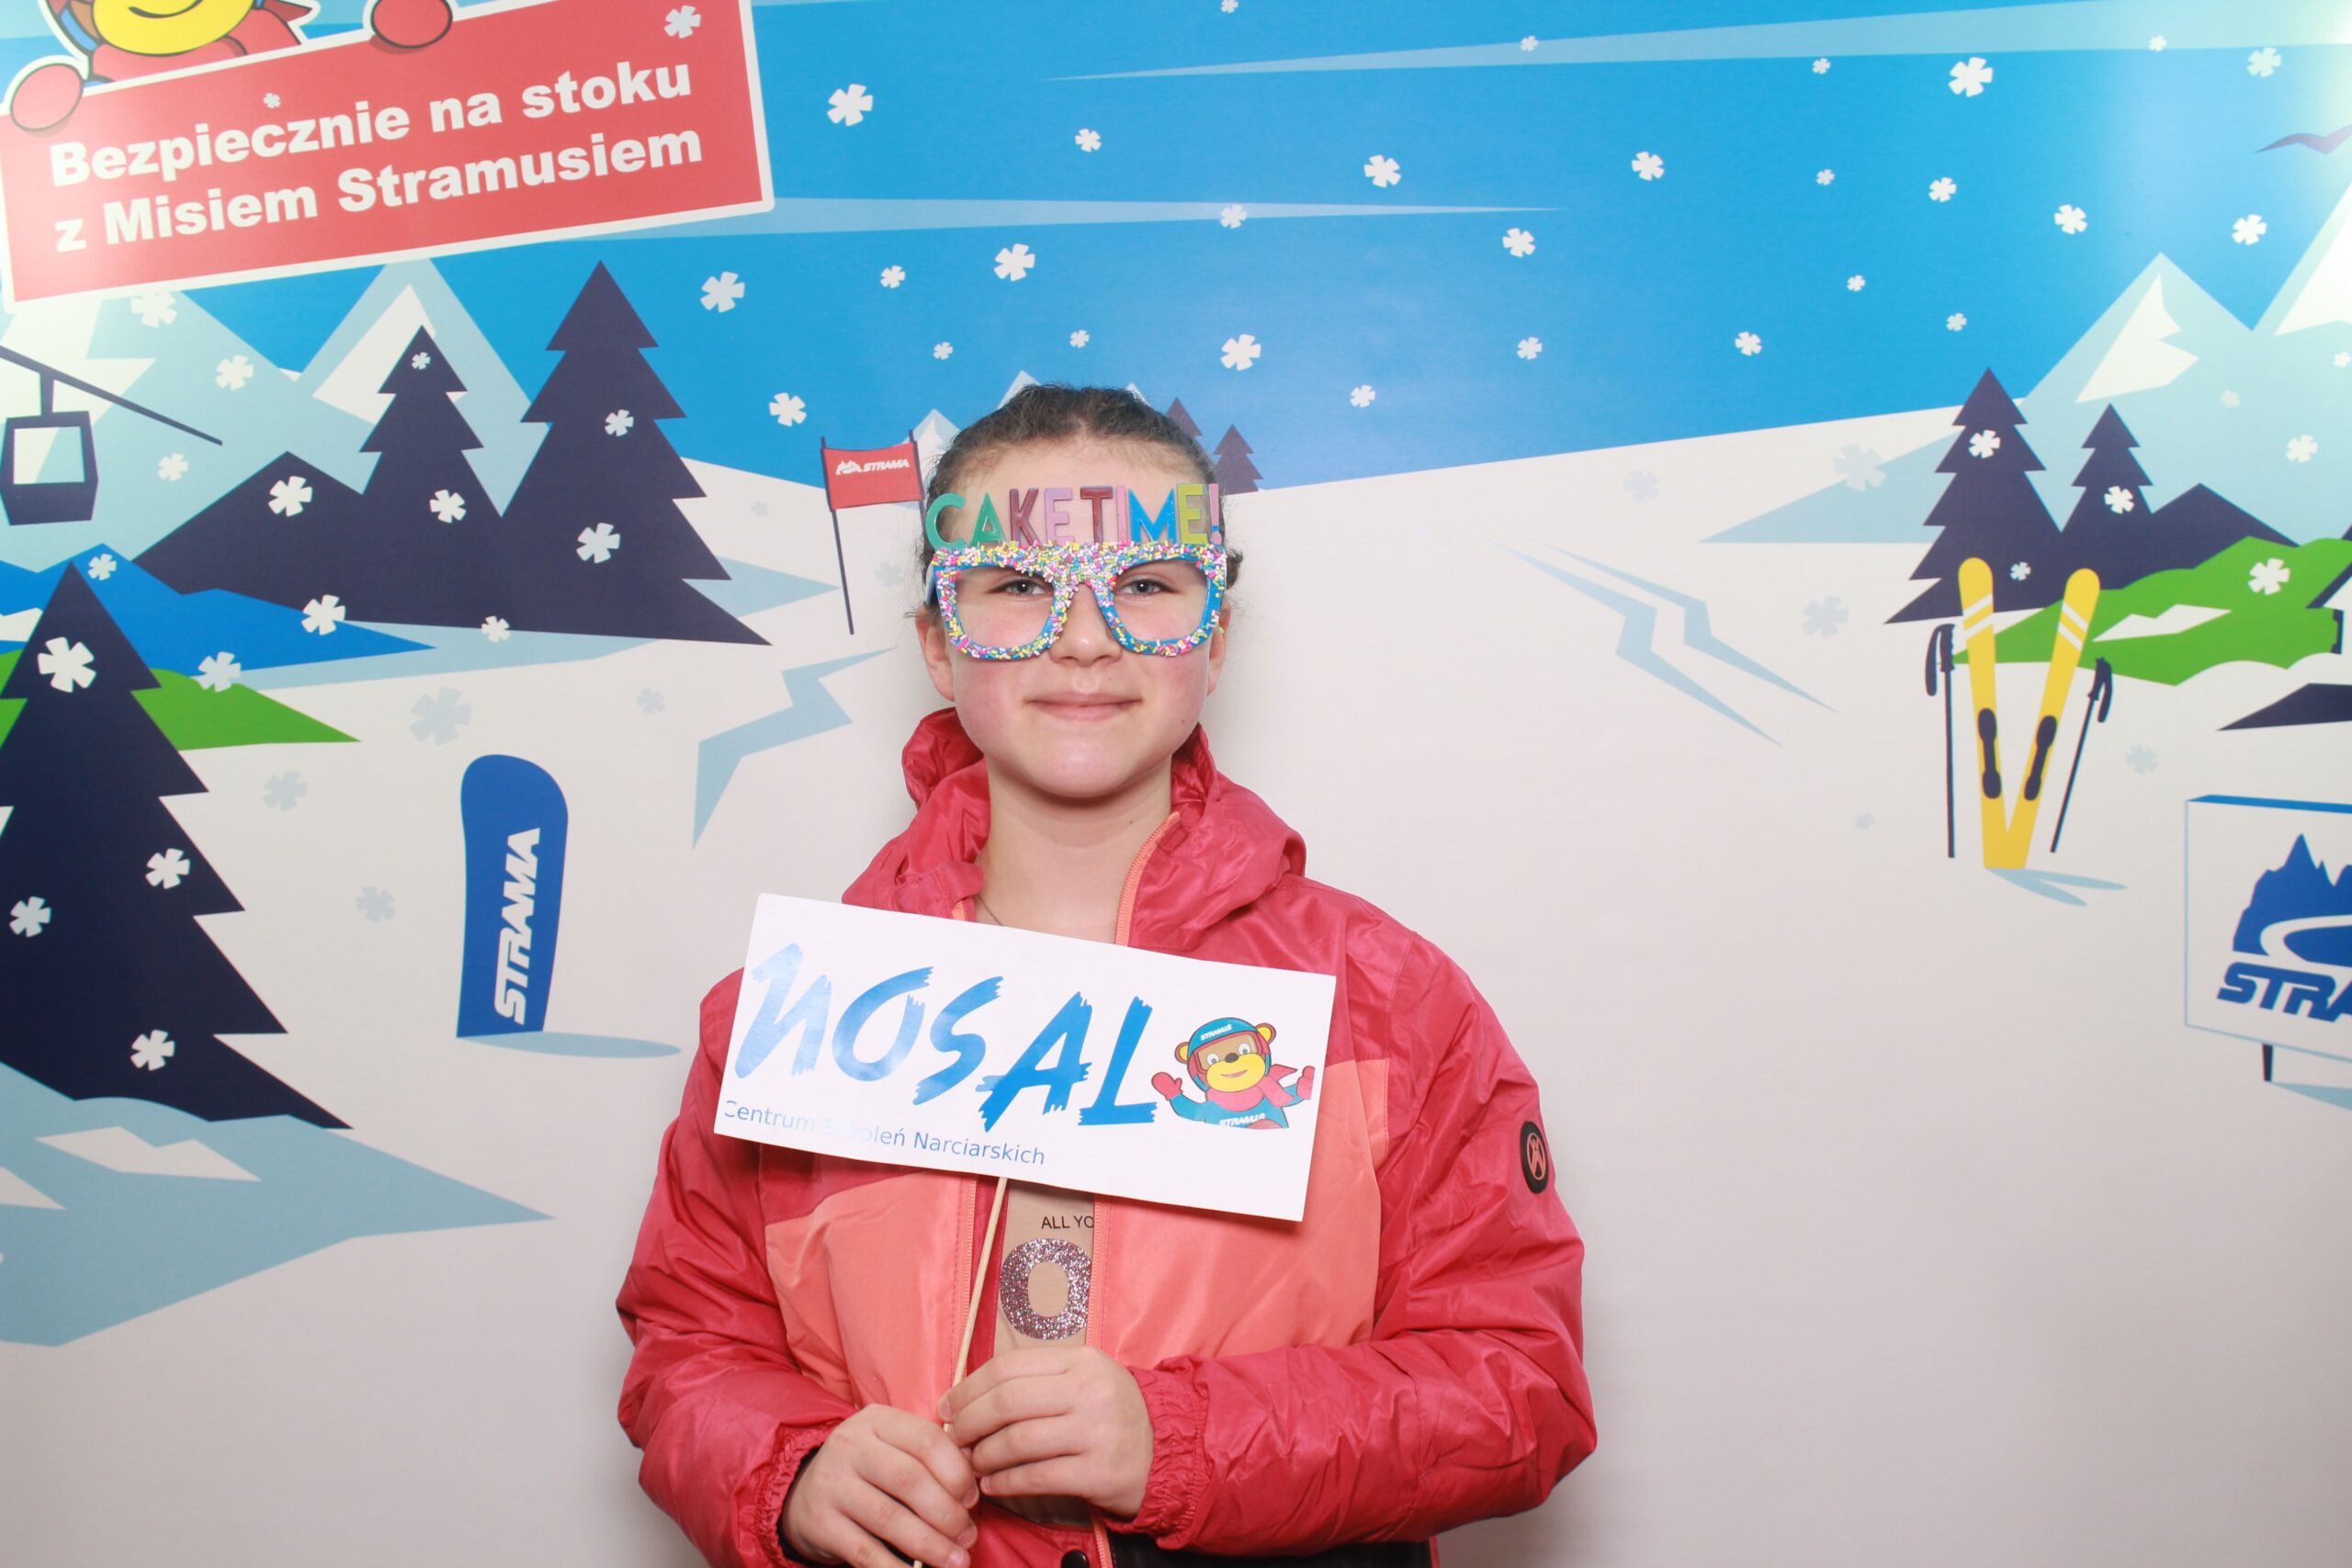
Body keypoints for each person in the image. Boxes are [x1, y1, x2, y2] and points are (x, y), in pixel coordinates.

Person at [616, 385, 1595, 1568]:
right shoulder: (796, 1013)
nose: (1085, 640)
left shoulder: (1387, 1002)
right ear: (937, 641)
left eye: (1145, 585)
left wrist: (1183, 1441)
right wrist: (792, 1470)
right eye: (1016, 586)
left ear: (1215, 639)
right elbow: (692, 1342)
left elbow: (1517, 1381)